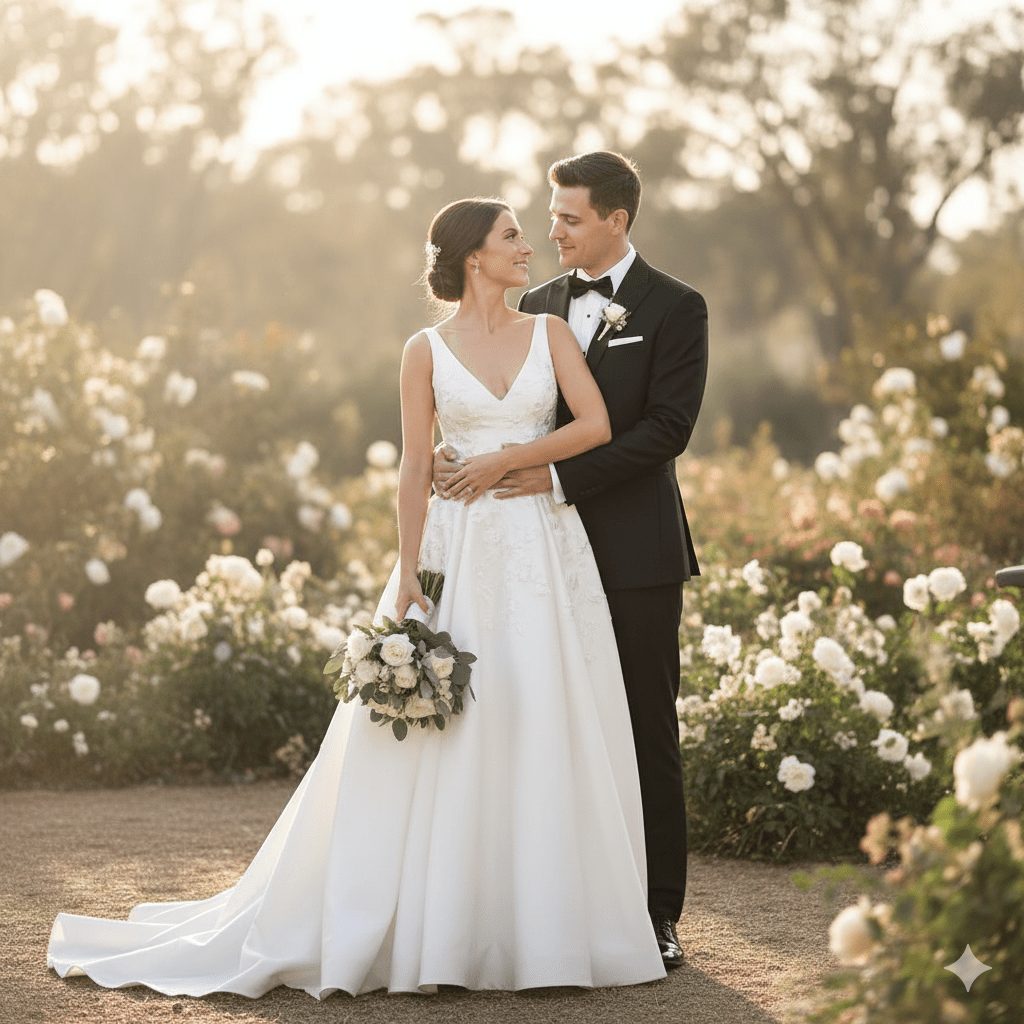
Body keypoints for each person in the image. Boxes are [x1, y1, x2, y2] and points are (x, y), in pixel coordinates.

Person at [45, 197, 669, 999]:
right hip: (457, 548)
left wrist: (504, 459)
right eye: (512, 236)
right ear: (473, 256)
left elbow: (595, 425)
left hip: (542, 548)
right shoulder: (424, 349)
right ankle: (441, 923)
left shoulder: (550, 332)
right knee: (454, 726)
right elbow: (415, 467)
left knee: (542, 712)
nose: (529, 246)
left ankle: (545, 927)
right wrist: (408, 570)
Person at [435, 151, 709, 968]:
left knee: (643, 732)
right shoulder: (540, 305)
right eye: (547, 218)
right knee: (544, 729)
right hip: (536, 558)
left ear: (616, 221)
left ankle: (657, 914)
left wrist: (549, 475)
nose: (551, 230)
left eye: (569, 218)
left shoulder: (676, 307)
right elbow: (495, 395)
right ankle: (555, 908)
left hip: (635, 553)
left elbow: (668, 429)